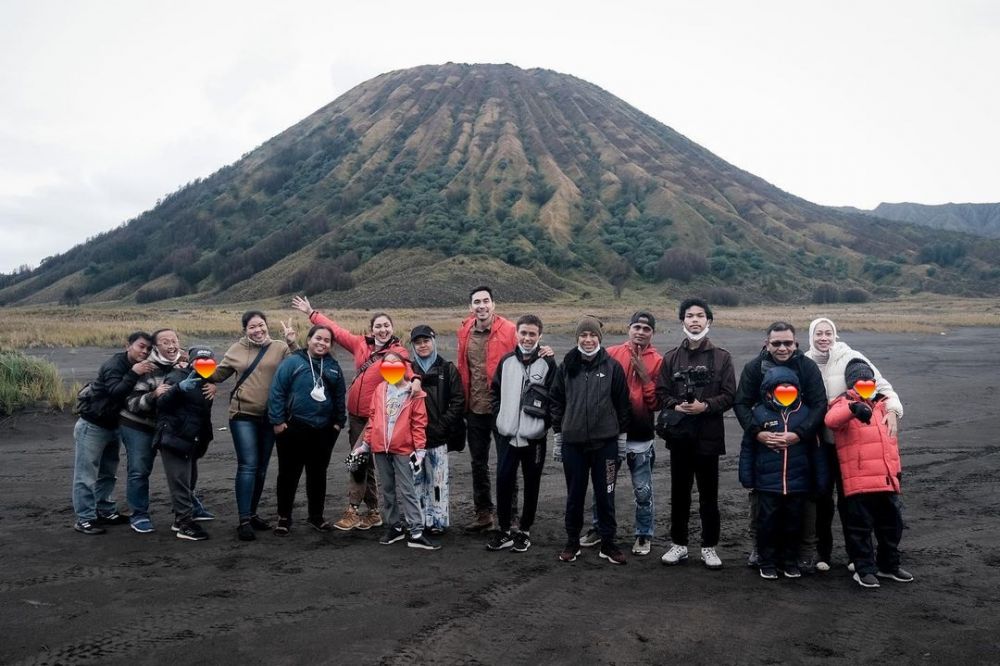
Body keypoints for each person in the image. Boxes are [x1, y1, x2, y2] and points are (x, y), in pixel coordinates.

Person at [292, 295, 415, 532]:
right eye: (378, 326)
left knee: (357, 460)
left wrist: (415, 380)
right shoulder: (361, 344)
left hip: (377, 416)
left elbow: (407, 368)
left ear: (392, 328)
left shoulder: (397, 351)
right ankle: (374, 511)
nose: (382, 329)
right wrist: (311, 313)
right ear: (371, 329)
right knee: (364, 463)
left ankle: (353, 509)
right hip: (356, 416)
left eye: (386, 325)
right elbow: (335, 331)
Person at [804, 316, 903, 572]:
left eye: (828, 333)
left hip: (850, 443)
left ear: (834, 335)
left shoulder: (852, 357)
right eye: (819, 333)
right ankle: (822, 553)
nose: (824, 338)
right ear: (811, 336)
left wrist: (892, 409)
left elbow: (882, 386)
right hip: (820, 444)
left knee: (852, 501)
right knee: (822, 499)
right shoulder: (804, 362)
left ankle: (854, 556)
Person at [734, 321, 827, 567]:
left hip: (802, 441)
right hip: (766, 440)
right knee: (761, 499)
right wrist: (757, 433)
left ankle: (805, 550)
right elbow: (741, 403)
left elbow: (819, 404)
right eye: (776, 343)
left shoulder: (807, 367)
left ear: (796, 344)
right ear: (767, 344)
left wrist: (799, 434)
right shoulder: (754, 368)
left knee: (805, 500)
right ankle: (759, 549)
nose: (783, 348)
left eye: (788, 343)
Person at [656, 299, 736, 568]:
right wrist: (676, 405)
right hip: (679, 438)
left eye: (700, 316)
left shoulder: (722, 357)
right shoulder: (670, 358)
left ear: (708, 321)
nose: (694, 320)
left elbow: (729, 395)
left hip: (709, 437)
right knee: (679, 494)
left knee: (709, 496)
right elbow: (661, 393)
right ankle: (678, 544)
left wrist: (705, 406)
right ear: (682, 322)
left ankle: (709, 547)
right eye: (689, 316)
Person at [207, 310, 297, 541]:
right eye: (252, 327)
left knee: (261, 468)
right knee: (248, 465)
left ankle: (253, 512)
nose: (257, 330)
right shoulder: (236, 350)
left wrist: (292, 343)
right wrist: (197, 368)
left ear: (267, 325)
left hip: (270, 416)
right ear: (245, 330)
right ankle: (244, 519)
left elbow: (298, 368)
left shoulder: (280, 348)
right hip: (242, 415)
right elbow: (217, 375)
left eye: (261, 325)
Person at [579, 310, 662, 557]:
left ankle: (644, 533)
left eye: (646, 329)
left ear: (652, 333)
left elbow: (656, 402)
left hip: (640, 436)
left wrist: (645, 377)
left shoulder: (658, 361)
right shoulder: (612, 353)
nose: (640, 332)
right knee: (605, 485)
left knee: (642, 489)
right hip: (610, 437)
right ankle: (600, 528)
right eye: (637, 327)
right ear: (629, 328)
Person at [550, 316, 631, 565]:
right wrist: (558, 435)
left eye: (592, 335)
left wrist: (620, 439)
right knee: (575, 495)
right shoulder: (567, 365)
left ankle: (608, 543)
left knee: (606, 494)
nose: (587, 340)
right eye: (583, 335)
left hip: (605, 445)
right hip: (573, 445)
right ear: (577, 338)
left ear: (599, 337)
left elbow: (622, 405)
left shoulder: (612, 367)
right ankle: (572, 542)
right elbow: (556, 401)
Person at [825, 359, 911, 588]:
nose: (865, 384)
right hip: (859, 481)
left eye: (869, 381)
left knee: (891, 526)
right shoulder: (843, 403)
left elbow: (891, 446)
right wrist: (853, 409)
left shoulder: (884, 405)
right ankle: (863, 568)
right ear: (852, 383)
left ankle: (888, 566)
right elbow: (831, 420)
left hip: (885, 479)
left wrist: (895, 473)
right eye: (860, 381)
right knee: (859, 528)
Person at [119, 328, 214, 534]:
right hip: (140, 424)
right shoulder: (147, 368)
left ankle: (188, 506)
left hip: (172, 426)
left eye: (174, 341)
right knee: (139, 468)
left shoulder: (185, 363)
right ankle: (139, 513)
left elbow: (204, 377)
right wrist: (155, 395)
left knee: (187, 467)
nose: (171, 345)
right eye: (165, 342)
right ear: (156, 346)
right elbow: (132, 402)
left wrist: (211, 385)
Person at [353, 351, 440, 550]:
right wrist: (366, 444)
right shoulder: (380, 390)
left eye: (396, 364)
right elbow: (373, 419)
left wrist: (419, 450)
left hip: (402, 448)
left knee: (408, 489)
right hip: (379, 448)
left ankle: (416, 530)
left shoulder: (414, 393)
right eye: (387, 364)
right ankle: (394, 527)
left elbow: (419, 423)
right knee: (387, 489)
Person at [71, 331, 154, 535]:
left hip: (113, 426)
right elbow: (115, 391)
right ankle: (84, 519)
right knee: (86, 474)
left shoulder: (140, 365)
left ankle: (105, 510)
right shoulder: (114, 365)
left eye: (148, 349)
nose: (145, 351)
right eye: (141, 346)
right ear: (129, 345)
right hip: (92, 425)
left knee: (108, 473)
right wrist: (134, 373)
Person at [267, 325, 347, 535]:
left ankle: (316, 517)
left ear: (331, 345)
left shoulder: (333, 367)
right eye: (318, 338)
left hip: (324, 430)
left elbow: (340, 396)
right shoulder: (293, 362)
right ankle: (284, 518)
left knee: (318, 474)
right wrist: (277, 421)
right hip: (293, 427)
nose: (321, 343)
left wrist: (338, 423)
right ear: (309, 339)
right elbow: (277, 391)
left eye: (326, 340)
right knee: (288, 474)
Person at [486, 314, 556, 553]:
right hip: (507, 436)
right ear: (516, 334)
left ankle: (524, 530)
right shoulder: (506, 362)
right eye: (523, 333)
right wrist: (499, 418)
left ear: (540, 336)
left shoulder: (548, 363)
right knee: (504, 481)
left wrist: (542, 426)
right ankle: (504, 530)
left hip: (533, 438)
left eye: (532, 334)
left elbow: (555, 399)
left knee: (532, 483)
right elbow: (494, 392)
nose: (527, 338)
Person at [154, 347, 217, 542]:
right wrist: (178, 389)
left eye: (208, 361)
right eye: (199, 360)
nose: (203, 364)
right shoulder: (177, 377)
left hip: (192, 439)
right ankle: (185, 523)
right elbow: (161, 404)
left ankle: (180, 518)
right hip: (174, 436)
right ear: (191, 361)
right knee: (179, 480)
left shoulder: (205, 381)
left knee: (189, 479)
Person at [409, 325, 465, 535]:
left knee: (438, 481)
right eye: (417, 342)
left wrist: (442, 426)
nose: (422, 345)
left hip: (439, 437)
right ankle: (419, 521)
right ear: (413, 345)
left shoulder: (447, 368)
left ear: (434, 341)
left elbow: (458, 401)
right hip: (413, 439)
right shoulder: (409, 370)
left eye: (426, 341)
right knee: (416, 482)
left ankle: (438, 522)